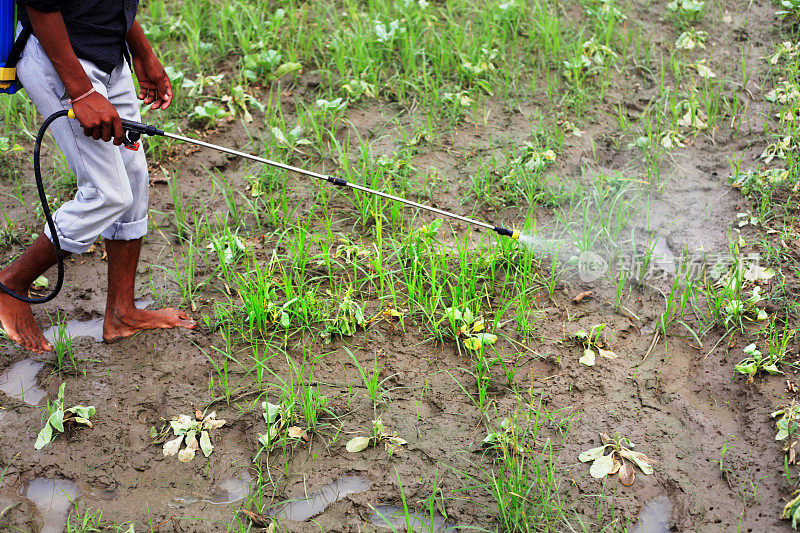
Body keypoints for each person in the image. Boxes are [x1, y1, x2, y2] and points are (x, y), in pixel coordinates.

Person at [0, 1, 196, 353]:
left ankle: (121, 314)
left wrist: (142, 51)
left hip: (108, 53)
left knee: (133, 180)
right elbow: (41, 5)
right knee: (108, 193)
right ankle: (10, 284)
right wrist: (82, 91)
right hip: (61, 59)